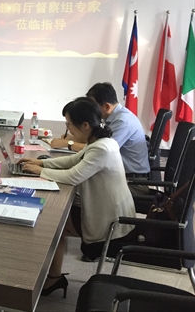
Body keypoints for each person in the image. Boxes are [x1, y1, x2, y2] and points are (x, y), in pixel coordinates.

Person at [20, 97, 135, 297]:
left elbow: (73, 176)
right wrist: (42, 163)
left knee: (51, 222)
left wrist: (40, 171)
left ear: (85, 125)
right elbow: (72, 161)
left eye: (69, 124)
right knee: (54, 220)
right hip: (108, 210)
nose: (68, 129)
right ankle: (53, 276)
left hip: (111, 222)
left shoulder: (101, 148)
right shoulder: (100, 142)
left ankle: (52, 277)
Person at [49, 82, 150, 195]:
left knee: (70, 190)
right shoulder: (113, 116)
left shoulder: (123, 122)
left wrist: (68, 143)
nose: (89, 110)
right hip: (119, 177)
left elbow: (99, 149)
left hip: (132, 183)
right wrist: (74, 138)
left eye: (93, 106)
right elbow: (97, 141)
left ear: (106, 106)